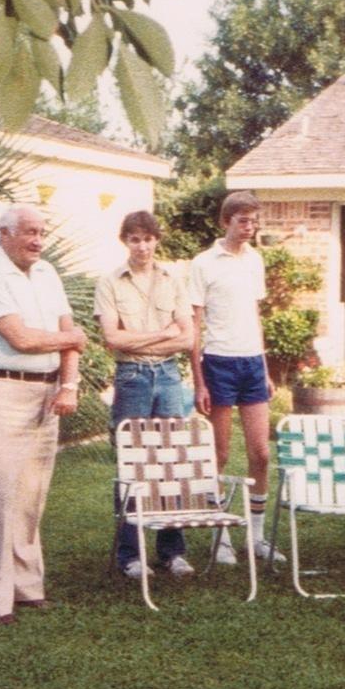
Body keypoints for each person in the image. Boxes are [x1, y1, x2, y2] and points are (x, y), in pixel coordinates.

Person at [0, 205, 87, 624]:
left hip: (46, 393)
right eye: (29, 232)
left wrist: (68, 385)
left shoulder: (47, 273)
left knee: (31, 495)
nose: (37, 240)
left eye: (41, 233)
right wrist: (72, 338)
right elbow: (19, 339)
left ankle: (28, 586)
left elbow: (69, 338)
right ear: (3, 234)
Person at [94, 211, 196, 579]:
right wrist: (163, 335)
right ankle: (130, 555)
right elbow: (112, 339)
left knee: (170, 461)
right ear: (126, 242)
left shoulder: (173, 280)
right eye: (135, 239)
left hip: (169, 376)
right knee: (131, 464)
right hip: (132, 376)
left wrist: (159, 338)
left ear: (157, 240)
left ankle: (172, 552)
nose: (142, 245)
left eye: (148, 238)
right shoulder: (109, 282)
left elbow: (188, 338)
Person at [189, 190, 285, 564]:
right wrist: (198, 380)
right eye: (243, 221)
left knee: (261, 453)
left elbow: (254, 317)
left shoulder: (254, 260)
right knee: (221, 453)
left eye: (254, 221)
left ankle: (256, 538)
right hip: (218, 363)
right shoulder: (203, 263)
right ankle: (221, 534)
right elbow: (194, 326)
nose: (250, 227)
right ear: (225, 221)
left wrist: (265, 368)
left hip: (251, 365)